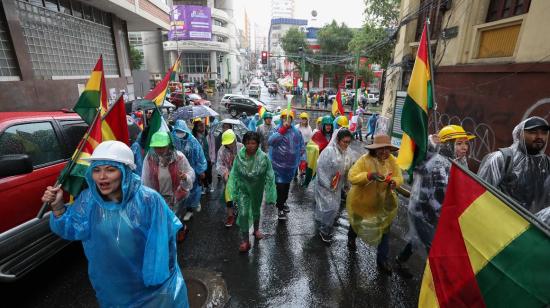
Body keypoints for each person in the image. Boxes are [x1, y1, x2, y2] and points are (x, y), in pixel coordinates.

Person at [42, 140, 189, 307]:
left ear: (124, 171)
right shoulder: (88, 200)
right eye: (96, 170)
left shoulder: (149, 200)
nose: (102, 176)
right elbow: (69, 229)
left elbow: (165, 244)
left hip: (151, 288)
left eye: (110, 170)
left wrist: (160, 283)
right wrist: (58, 207)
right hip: (112, 290)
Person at [395, 125, 475, 276]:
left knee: (419, 239)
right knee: (434, 250)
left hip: (435, 213)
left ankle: (400, 260)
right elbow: (441, 196)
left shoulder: (457, 161)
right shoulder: (439, 165)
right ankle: (435, 285)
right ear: (448, 145)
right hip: (424, 213)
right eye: (459, 143)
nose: (464, 147)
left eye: (466, 143)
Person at [346, 134, 402, 273]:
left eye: (387, 149)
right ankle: (351, 238)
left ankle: (382, 260)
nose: (384, 152)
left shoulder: (392, 161)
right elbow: (352, 176)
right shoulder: (364, 160)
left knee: (385, 230)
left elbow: (398, 176)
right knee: (356, 223)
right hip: (362, 201)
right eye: (381, 149)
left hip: (382, 204)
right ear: (374, 149)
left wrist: (395, 182)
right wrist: (369, 176)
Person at [478, 116, 550, 214]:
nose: (539, 136)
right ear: (520, 134)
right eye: (533, 132)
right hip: (504, 225)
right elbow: (479, 195)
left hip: (535, 228)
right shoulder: (501, 159)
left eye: (544, 133)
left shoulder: (546, 163)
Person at [227, 132, 277, 252]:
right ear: (244, 143)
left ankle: (256, 230)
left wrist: (271, 194)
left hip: (257, 189)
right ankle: (245, 241)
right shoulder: (240, 156)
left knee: (255, 210)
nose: (250, 145)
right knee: (243, 213)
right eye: (248, 143)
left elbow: (270, 176)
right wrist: (231, 191)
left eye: (253, 143)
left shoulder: (263, 157)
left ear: (258, 144)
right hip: (243, 190)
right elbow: (234, 174)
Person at [315, 129, 354, 243]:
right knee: (328, 207)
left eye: (348, 142)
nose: (346, 144)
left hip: (337, 186)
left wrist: (346, 184)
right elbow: (321, 169)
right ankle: (324, 230)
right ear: (337, 140)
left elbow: (348, 170)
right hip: (325, 185)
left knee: (334, 208)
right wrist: (328, 185)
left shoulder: (348, 153)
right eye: (344, 142)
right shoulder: (328, 151)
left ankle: (325, 227)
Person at [142, 131, 195, 213]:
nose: (159, 150)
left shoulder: (179, 157)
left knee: (176, 220)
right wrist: (149, 197)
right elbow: (146, 180)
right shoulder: (149, 158)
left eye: (162, 146)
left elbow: (190, 172)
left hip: (177, 198)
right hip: (158, 199)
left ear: (168, 145)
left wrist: (185, 177)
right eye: (156, 147)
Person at [268, 109, 305, 220]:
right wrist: (282, 130)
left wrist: (303, 160)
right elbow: (271, 141)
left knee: (286, 187)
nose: (286, 120)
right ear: (281, 119)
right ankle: (280, 208)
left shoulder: (297, 132)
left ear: (292, 120)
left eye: (288, 118)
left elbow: (301, 147)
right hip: (278, 167)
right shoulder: (276, 129)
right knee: (280, 187)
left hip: (290, 167)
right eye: (284, 118)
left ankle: (283, 202)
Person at [172, 120, 207, 221]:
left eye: (181, 131)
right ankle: (181, 210)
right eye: (177, 131)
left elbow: (200, 157)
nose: (179, 133)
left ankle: (190, 209)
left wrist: (201, 171)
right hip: (179, 170)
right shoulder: (174, 139)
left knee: (193, 190)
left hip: (192, 170)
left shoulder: (193, 141)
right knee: (181, 191)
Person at [216, 129, 244, 227]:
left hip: (241, 176)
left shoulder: (241, 147)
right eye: (227, 143)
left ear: (235, 140)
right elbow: (219, 164)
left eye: (231, 142)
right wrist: (225, 172)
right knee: (229, 197)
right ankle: (230, 216)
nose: (229, 145)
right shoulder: (222, 150)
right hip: (228, 177)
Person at [192, 118, 214, 193]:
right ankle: (203, 186)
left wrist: (213, 158)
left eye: (203, 125)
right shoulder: (193, 137)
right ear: (196, 127)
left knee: (208, 173)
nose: (202, 127)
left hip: (208, 158)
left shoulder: (209, 135)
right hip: (199, 159)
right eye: (200, 125)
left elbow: (212, 146)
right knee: (201, 173)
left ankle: (209, 184)